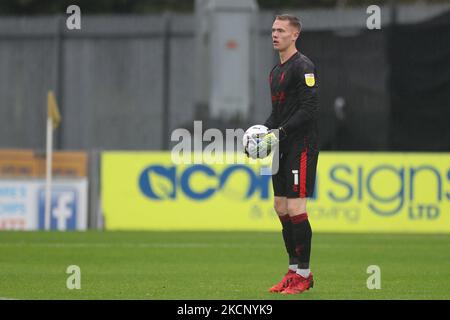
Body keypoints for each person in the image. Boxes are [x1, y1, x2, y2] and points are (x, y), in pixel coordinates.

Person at [247, 14, 319, 294]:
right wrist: (259, 134)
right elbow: (277, 114)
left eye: (281, 30)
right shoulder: (275, 71)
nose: (275, 34)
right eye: (273, 29)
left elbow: (308, 110)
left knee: (296, 208)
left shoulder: (303, 66)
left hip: (300, 145)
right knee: (280, 207)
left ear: (295, 35)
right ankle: (292, 271)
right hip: (280, 145)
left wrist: (278, 133)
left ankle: (305, 274)